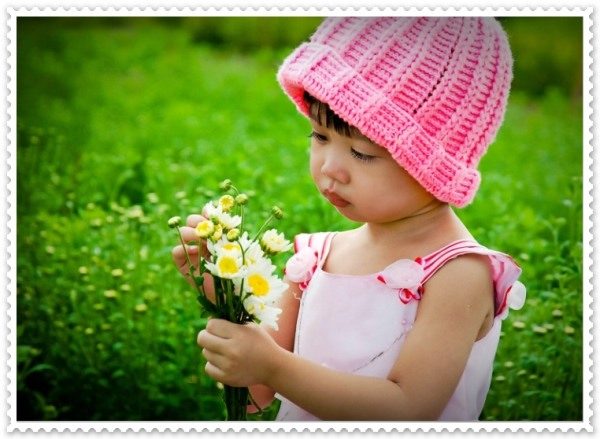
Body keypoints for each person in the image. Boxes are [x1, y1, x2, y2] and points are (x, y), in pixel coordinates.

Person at [172, 17, 526, 421]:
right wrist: (222, 293)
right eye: (320, 137)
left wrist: (273, 365)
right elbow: (259, 391)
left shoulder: (458, 274)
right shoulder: (317, 257)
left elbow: (409, 409)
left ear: (432, 160)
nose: (331, 169)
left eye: (362, 153)